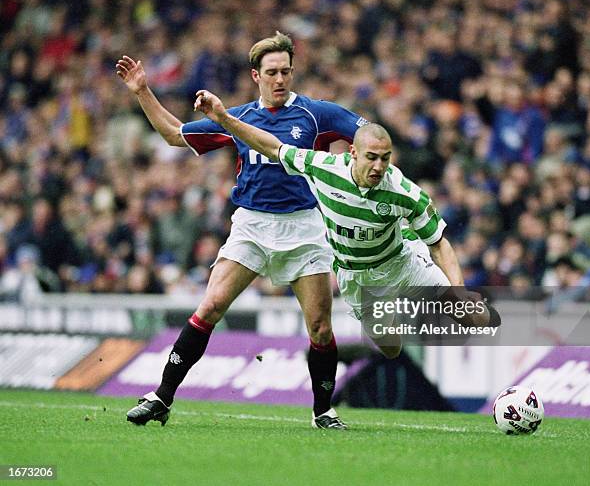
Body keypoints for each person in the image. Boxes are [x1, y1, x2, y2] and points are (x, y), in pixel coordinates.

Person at [116, 32, 367, 429]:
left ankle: (323, 410)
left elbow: (368, 132)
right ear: (256, 76)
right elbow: (173, 134)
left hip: (304, 228)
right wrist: (143, 91)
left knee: (320, 327)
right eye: (272, 72)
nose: (280, 79)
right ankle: (162, 397)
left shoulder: (318, 114)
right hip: (251, 225)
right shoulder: (239, 119)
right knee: (210, 305)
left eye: (286, 71)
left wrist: (363, 149)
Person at [193, 89, 501, 357]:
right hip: (357, 279)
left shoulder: (406, 193)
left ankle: (513, 348)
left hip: (403, 263)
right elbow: (272, 147)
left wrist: (459, 291)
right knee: (391, 348)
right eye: (372, 157)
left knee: (468, 314)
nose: (379, 166)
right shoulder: (324, 169)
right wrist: (224, 118)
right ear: (353, 152)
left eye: (386, 158)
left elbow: (439, 244)